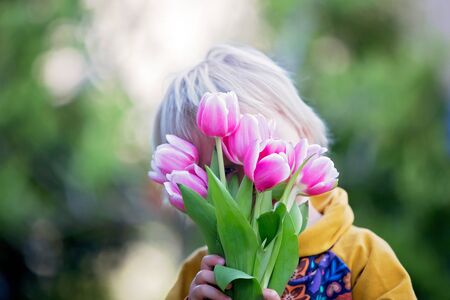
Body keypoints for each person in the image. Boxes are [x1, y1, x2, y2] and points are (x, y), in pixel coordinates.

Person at [152, 45, 416, 299]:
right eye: (227, 169)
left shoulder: (363, 258)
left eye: (265, 147)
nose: (250, 179)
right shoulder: (200, 274)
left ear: (304, 131)